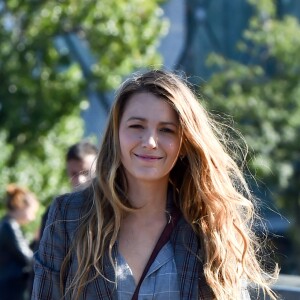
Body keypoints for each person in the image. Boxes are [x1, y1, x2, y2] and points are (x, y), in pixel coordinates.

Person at [31, 69, 278, 299]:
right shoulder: (69, 215)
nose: (150, 141)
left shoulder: (209, 225)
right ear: (116, 134)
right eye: (137, 126)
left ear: (184, 142)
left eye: (167, 130)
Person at [0, 184, 39, 300]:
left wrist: (35, 241)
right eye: (32, 212)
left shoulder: (8, 225)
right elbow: (28, 259)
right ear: (21, 205)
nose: (32, 218)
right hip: (10, 290)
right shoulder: (9, 227)